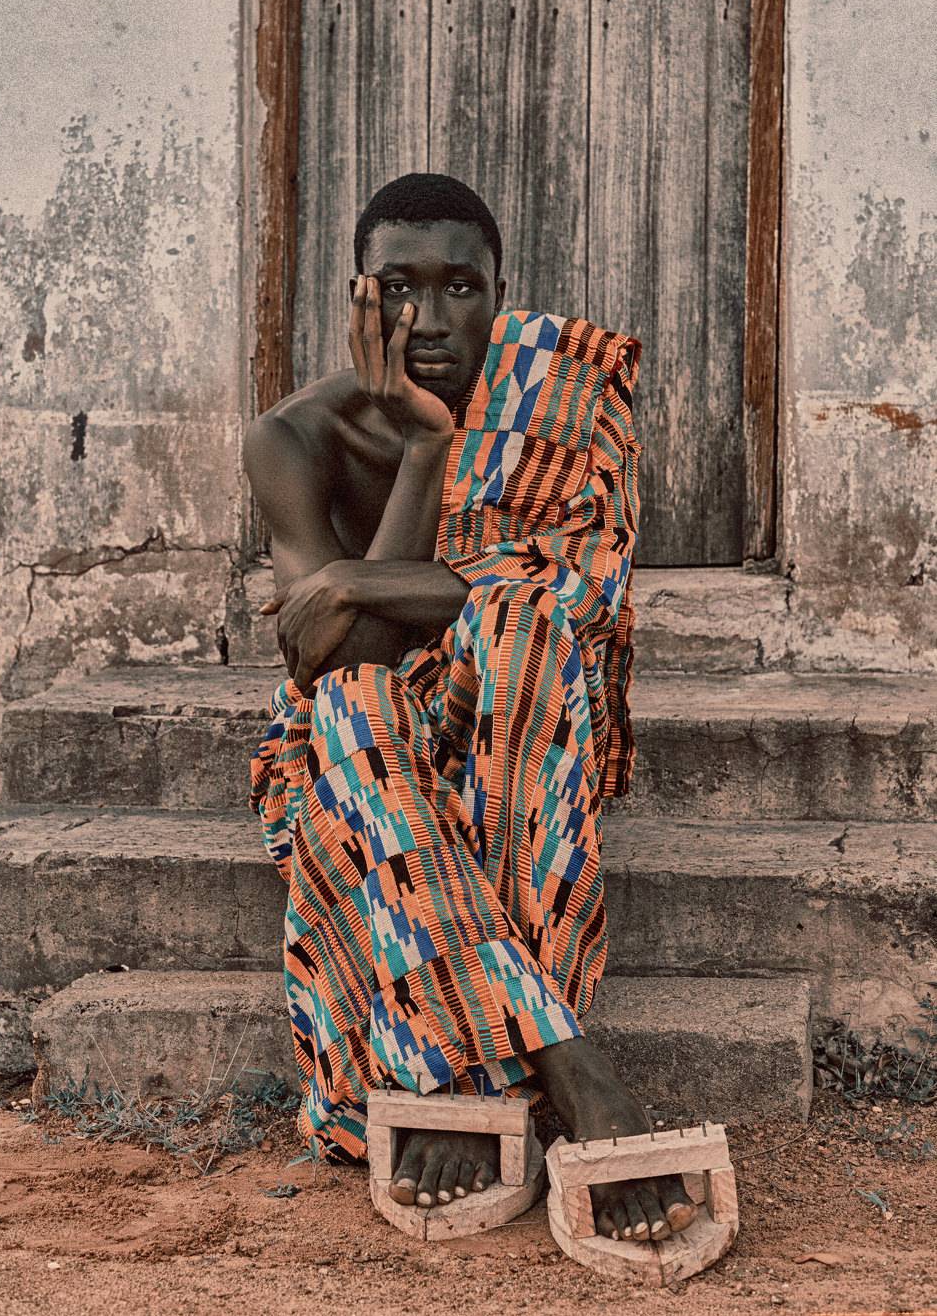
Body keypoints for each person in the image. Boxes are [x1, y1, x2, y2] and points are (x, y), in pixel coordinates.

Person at [245, 172, 696, 1244]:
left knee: (525, 627)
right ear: (359, 298)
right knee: (355, 704)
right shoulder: (292, 439)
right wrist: (425, 448)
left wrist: (351, 579)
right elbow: (347, 661)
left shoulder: (565, 396)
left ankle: (455, 1078)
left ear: (501, 293)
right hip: (357, 751)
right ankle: (568, 1065)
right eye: (400, 288)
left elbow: (580, 589)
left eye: (462, 288)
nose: (431, 319)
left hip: (522, 719)